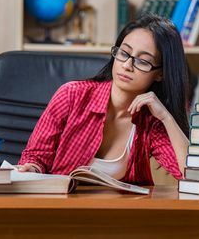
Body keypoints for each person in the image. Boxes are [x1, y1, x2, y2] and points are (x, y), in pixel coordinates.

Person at [17, 13, 190, 186]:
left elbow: (191, 176)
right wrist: (31, 170)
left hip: (118, 211)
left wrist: (167, 118)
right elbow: (36, 158)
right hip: (62, 208)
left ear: (160, 73)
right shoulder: (71, 95)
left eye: (143, 61)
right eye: (124, 53)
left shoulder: (152, 123)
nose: (127, 65)